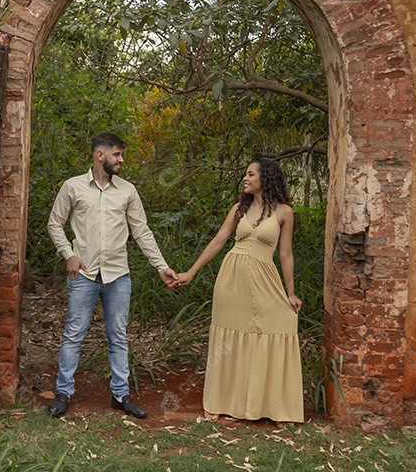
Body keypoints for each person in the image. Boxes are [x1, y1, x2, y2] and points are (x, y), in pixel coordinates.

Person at [45, 132, 178, 419]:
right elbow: (54, 223)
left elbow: (142, 232)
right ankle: (63, 393)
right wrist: (68, 253)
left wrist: (161, 266)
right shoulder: (73, 187)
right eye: (117, 154)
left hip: (118, 275)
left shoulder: (127, 191)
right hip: (84, 274)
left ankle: (120, 395)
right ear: (99, 155)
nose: (121, 160)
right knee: (73, 334)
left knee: (118, 336)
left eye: (121, 155)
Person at [172, 158, 304, 423]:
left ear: (265, 179)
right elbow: (219, 240)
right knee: (229, 339)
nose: (245, 178)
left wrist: (290, 292)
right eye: (245, 174)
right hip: (232, 279)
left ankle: (274, 406)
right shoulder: (238, 209)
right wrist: (191, 272)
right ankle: (220, 402)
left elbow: (286, 254)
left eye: (250, 174)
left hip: (265, 278)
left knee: (280, 326)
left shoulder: (284, 212)